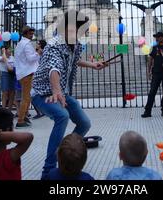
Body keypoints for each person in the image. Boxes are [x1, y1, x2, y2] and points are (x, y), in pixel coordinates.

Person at [31, 10, 107, 179]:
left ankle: (66, 152)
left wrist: (93, 64)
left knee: (84, 123)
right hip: (43, 94)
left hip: (62, 93)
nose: (83, 34)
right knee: (62, 116)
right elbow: (54, 68)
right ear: (68, 28)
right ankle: (48, 169)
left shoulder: (76, 43)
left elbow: (75, 60)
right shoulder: (53, 45)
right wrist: (56, 91)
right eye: (81, 30)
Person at [142, 31, 163, 118]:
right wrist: (148, 71)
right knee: (152, 92)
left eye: (158, 37)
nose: (156, 39)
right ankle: (147, 111)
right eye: (156, 37)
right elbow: (150, 60)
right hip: (156, 72)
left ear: (162, 37)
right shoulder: (154, 48)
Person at [15, 26, 42, 128]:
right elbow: (31, 59)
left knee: (27, 97)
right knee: (26, 98)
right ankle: (20, 120)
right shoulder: (26, 44)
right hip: (27, 73)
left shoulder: (20, 44)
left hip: (23, 73)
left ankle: (25, 116)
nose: (32, 35)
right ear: (25, 34)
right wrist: (38, 53)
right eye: (30, 34)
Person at [0, 46, 16, 110]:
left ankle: (9, 109)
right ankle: (3, 109)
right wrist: (3, 52)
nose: (10, 51)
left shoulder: (12, 57)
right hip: (5, 74)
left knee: (12, 92)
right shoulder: (1, 57)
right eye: (9, 49)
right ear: (5, 51)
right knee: (5, 92)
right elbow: (4, 59)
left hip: (12, 74)